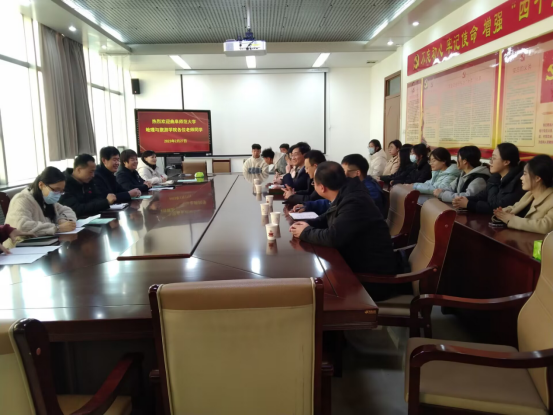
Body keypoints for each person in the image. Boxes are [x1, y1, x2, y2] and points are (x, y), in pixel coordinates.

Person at [289, 161, 397, 276]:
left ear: (322, 187)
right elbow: (327, 217)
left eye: (313, 183)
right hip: (354, 261)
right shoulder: (346, 193)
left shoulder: (354, 201)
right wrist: (306, 224)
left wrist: (305, 232)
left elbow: (333, 237)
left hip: (372, 273)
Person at [4, 167, 77, 248]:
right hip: (19, 248)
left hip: (42, 244)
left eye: (61, 191)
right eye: (56, 190)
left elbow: (67, 210)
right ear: (41, 185)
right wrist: (56, 228)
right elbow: (22, 226)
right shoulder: (22, 199)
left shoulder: (47, 200)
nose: (58, 194)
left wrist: (62, 220)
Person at [453, 143, 526, 214]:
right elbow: (481, 196)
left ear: (506, 162)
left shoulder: (519, 183)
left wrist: (469, 204)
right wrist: (462, 199)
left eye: (494, 158)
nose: (490, 161)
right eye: (491, 158)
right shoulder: (495, 178)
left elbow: (498, 207)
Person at [493, 155, 553, 234]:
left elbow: (545, 227)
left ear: (537, 178)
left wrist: (511, 219)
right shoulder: (529, 195)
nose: (521, 178)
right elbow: (515, 207)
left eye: (524, 174)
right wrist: (502, 213)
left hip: (536, 242)